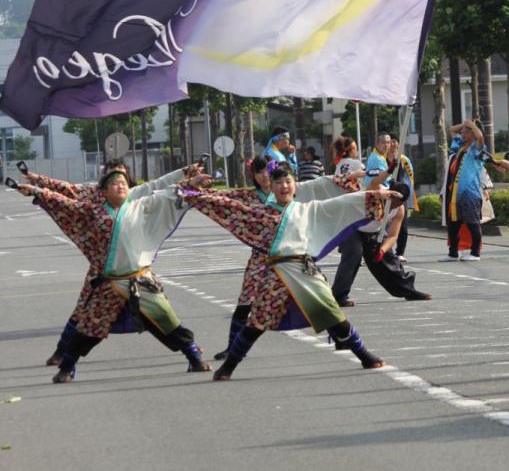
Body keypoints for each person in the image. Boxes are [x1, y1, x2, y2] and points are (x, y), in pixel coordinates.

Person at [179, 162, 396, 379]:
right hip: (276, 273)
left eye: (288, 181)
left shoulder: (308, 209)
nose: (284, 186)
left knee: (333, 315)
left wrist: (379, 195)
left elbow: (342, 203)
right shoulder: (259, 213)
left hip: (304, 270)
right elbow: (227, 206)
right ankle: (228, 366)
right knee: (256, 323)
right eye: (278, 182)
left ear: (295, 185)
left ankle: (364, 355)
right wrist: (190, 193)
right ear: (272, 187)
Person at [16, 163, 213, 382]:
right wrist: (37, 191)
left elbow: (167, 192)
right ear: (103, 191)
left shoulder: (141, 203)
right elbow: (65, 203)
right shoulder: (93, 210)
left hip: (140, 279)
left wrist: (190, 181)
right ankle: (67, 367)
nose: (120, 187)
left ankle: (194, 357)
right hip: (109, 282)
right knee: (88, 327)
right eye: (114, 184)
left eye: (123, 183)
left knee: (166, 319)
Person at [211, 158, 362, 359]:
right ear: (254, 176)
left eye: (267, 171)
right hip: (262, 261)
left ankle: (342, 339)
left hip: (294, 261)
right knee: (247, 305)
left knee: (321, 301)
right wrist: (191, 194)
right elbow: (222, 200)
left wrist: (351, 178)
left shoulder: (295, 191)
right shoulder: (247, 196)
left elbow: (325, 183)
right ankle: (232, 348)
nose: (264, 175)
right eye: (260, 172)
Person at [331, 161, 433, 305]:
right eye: (393, 199)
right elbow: (375, 181)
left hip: (375, 233)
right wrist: (388, 171)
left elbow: (392, 236)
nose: (394, 204)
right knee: (354, 254)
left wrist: (383, 250)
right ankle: (339, 296)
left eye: (399, 202)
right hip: (352, 229)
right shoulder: (377, 192)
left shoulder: (400, 210)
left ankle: (408, 290)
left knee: (389, 261)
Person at [441, 118, 491, 262]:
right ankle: (453, 253)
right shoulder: (460, 146)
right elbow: (451, 130)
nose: (463, 133)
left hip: (470, 192)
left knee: (472, 223)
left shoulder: (477, 148)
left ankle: (475, 253)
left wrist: (472, 126)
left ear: (474, 133)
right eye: (463, 131)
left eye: (467, 131)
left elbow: (480, 136)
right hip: (456, 192)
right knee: (453, 224)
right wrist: (465, 124)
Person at [387, 135, 419, 258]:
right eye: (390, 142)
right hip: (386, 194)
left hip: (400, 197)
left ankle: (400, 252)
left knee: (403, 226)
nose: (392, 144)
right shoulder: (381, 159)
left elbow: (410, 180)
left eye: (394, 142)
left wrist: (407, 196)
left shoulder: (404, 160)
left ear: (398, 144)